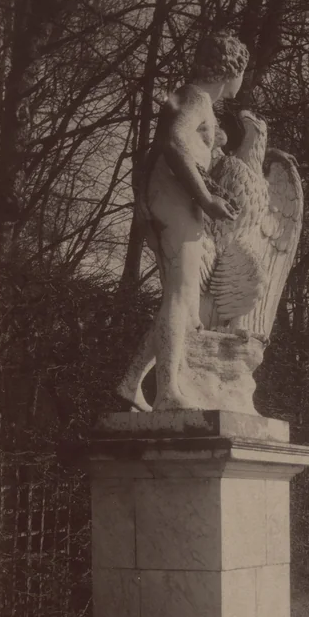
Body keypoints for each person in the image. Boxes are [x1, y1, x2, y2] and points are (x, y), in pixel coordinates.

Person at [118, 33, 247, 412]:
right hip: (174, 202)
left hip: (171, 200)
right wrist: (207, 200)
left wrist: (212, 146)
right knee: (179, 296)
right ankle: (169, 393)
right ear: (232, 70)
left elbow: (169, 146)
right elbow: (173, 144)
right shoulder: (196, 97)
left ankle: (130, 383)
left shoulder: (194, 100)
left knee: (188, 307)